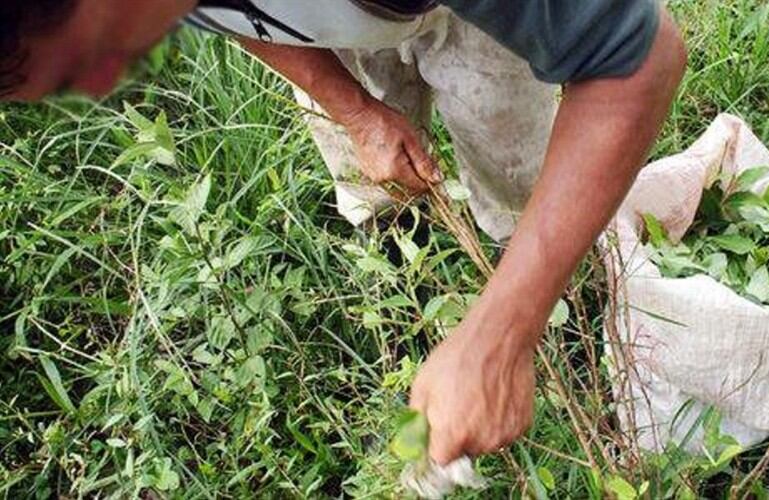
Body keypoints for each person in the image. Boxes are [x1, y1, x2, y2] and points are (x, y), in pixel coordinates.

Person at [1, 0, 686, 465]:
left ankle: (559, 317)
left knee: (518, 177)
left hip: (472, 23)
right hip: (328, 28)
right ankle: (405, 295)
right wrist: (355, 112)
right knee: (372, 184)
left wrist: (502, 335)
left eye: (84, 59)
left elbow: (638, 61)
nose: (103, 84)